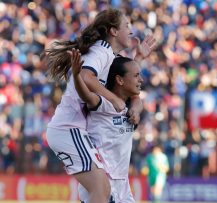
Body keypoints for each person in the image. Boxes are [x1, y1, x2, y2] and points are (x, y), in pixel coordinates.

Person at [45, 8, 157, 203]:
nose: (130, 30)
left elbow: (126, 81)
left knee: (102, 190)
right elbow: (87, 77)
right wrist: (112, 99)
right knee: (101, 187)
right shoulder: (101, 50)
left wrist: (138, 58)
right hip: (69, 128)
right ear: (113, 31)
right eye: (126, 25)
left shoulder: (108, 55)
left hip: (77, 130)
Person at [70, 48, 143, 203]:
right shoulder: (102, 104)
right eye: (136, 76)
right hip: (101, 181)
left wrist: (140, 57)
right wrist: (77, 76)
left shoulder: (130, 105)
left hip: (122, 184)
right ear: (120, 80)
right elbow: (86, 95)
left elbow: (137, 98)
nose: (140, 80)